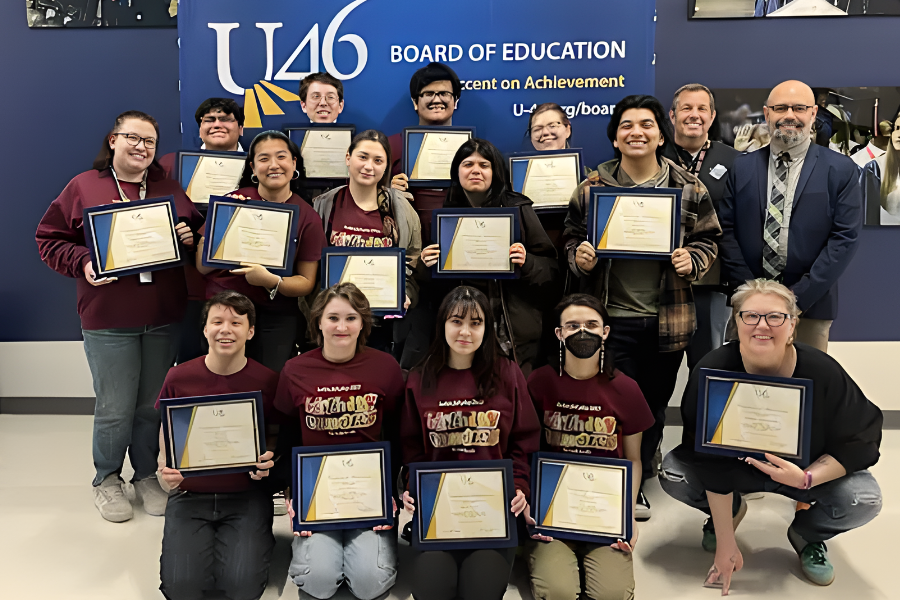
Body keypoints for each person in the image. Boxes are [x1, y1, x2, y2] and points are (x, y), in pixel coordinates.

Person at [659, 279, 883, 591]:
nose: (762, 325)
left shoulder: (824, 371)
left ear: (792, 327)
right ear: (737, 323)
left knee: (864, 498)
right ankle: (729, 512)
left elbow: (861, 439)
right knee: (674, 473)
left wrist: (807, 478)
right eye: (750, 315)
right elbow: (707, 458)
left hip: (803, 472)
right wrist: (726, 541)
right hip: (737, 470)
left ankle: (808, 534)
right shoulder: (713, 372)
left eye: (775, 317)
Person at [35, 110, 203, 522]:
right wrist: (83, 262)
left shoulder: (168, 187)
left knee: (150, 405)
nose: (141, 147)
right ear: (113, 140)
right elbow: (49, 239)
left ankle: (145, 475)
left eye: (150, 142)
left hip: (163, 314)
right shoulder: (83, 186)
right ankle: (107, 478)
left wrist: (188, 235)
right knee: (114, 406)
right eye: (133, 138)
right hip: (108, 316)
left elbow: (196, 233)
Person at [564, 94, 721, 519]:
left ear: (660, 135)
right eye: (627, 126)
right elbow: (571, 235)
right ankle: (616, 480)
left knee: (652, 405)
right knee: (611, 404)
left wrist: (694, 259)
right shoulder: (592, 188)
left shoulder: (688, 187)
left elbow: (709, 238)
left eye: (646, 125)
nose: (637, 132)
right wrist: (579, 255)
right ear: (615, 138)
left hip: (666, 319)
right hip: (608, 320)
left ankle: (642, 473)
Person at [401, 285, 542, 600]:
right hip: (439, 509)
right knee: (431, 590)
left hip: (492, 510)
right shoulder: (420, 378)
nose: (465, 331)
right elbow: (412, 448)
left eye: (475, 323)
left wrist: (520, 485)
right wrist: (412, 486)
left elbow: (524, 441)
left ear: (486, 328)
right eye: (456, 321)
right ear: (443, 324)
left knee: (480, 591)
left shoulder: (508, 374)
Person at [275, 283, 405, 600]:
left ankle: (359, 554)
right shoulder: (295, 370)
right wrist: (294, 494)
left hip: (369, 493)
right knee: (317, 582)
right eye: (333, 318)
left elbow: (396, 432)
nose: (341, 327)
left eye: (351, 318)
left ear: (363, 323)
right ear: (318, 321)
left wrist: (391, 493)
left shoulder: (385, 367)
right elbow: (288, 436)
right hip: (317, 493)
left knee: (369, 583)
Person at [719, 80, 863, 353]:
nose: (789, 115)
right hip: (750, 304)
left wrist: (796, 298)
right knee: (749, 375)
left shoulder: (841, 169)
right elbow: (726, 230)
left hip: (811, 305)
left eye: (799, 108)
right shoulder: (742, 167)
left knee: (806, 375)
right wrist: (751, 292)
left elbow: (844, 238)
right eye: (780, 108)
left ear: (813, 113)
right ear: (767, 114)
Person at [526, 293, 653, 600]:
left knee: (612, 594)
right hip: (553, 510)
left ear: (605, 332)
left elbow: (634, 460)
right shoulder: (538, 382)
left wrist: (627, 515)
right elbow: (524, 451)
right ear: (559, 334)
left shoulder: (626, 389)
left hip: (605, 511)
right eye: (572, 325)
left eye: (591, 325)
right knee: (558, 593)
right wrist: (531, 506)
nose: (582, 332)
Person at [156, 291, 279, 600]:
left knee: (243, 589)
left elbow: (275, 434)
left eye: (236, 323)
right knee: (180, 590)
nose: (226, 329)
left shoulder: (267, 381)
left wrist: (268, 459)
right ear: (205, 329)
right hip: (190, 495)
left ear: (250, 332)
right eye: (217, 321)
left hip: (246, 495)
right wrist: (164, 468)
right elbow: (166, 430)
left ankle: (256, 540)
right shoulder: (179, 377)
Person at [419, 138, 559, 375]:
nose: (476, 170)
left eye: (484, 165)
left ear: (496, 171)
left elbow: (552, 271)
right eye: (468, 164)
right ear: (456, 171)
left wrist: (527, 262)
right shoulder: (444, 216)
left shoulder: (519, 209)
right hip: (463, 332)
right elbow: (430, 289)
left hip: (514, 333)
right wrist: (426, 265)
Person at [196, 130, 326, 372]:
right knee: (221, 381)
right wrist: (224, 223)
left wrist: (271, 281)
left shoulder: (308, 216)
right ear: (253, 168)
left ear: (294, 163)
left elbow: (306, 283)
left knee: (268, 383)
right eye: (264, 159)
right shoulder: (233, 201)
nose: (273, 165)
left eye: (281, 157)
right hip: (225, 311)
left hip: (275, 317)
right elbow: (202, 267)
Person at [311, 129, 422, 354]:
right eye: (363, 157)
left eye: (378, 160)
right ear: (348, 157)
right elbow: (311, 265)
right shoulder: (323, 205)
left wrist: (405, 293)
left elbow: (412, 262)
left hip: (382, 326)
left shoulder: (402, 209)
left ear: (386, 166)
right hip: (335, 324)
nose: (369, 166)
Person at [663, 84, 739, 370]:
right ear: (672, 115)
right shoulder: (654, 156)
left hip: (712, 280)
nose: (694, 115)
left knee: (708, 363)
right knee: (659, 368)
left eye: (701, 109)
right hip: (661, 279)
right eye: (686, 108)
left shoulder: (735, 161)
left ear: (712, 116)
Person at [389, 61, 464, 245]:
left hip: (459, 237)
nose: (436, 100)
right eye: (428, 94)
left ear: (455, 101)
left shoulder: (471, 148)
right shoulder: (391, 146)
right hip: (407, 238)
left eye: (444, 94)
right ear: (415, 102)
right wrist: (388, 191)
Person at [159, 97, 245, 178]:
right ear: (200, 131)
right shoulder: (171, 163)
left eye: (225, 119)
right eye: (209, 120)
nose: (217, 125)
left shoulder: (252, 164)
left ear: (240, 129)